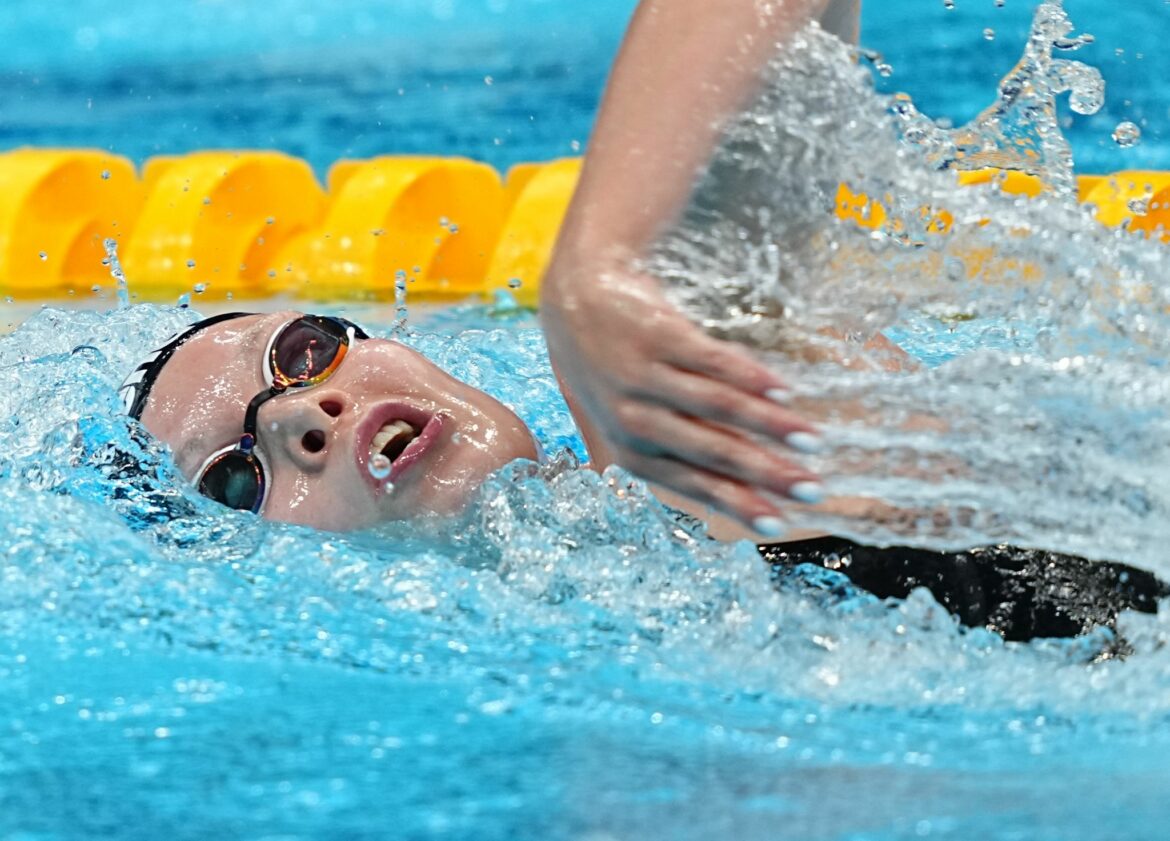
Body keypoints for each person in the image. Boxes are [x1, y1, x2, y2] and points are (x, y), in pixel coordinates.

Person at [120, 0, 1166, 644]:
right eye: (238, 480)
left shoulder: (703, 394)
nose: (304, 415)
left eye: (303, 354)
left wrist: (592, 269)